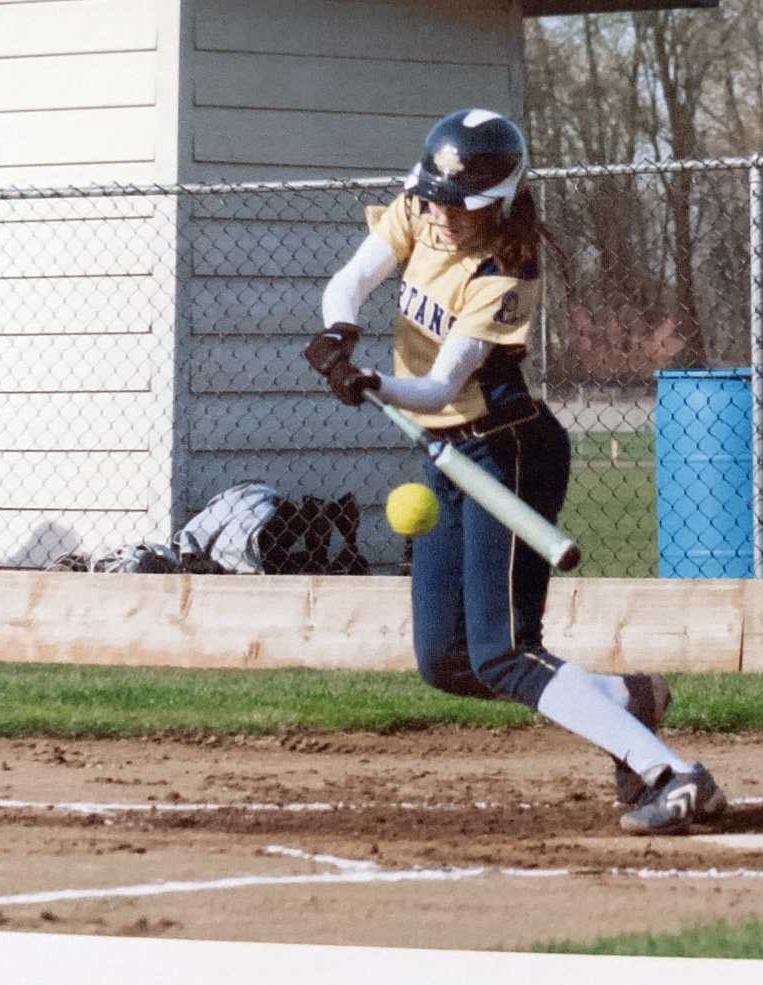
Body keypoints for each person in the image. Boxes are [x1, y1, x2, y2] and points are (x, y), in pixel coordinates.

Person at [304, 108, 725, 834]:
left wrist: (370, 379)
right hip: (444, 454)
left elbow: (437, 386)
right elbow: (349, 281)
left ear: (498, 203)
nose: (440, 215)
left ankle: (670, 771)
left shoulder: (505, 274)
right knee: (448, 659)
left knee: (503, 652)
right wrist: (340, 333)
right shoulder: (420, 208)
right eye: (434, 197)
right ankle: (626, 698)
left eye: (459, 206)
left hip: (508, 453)